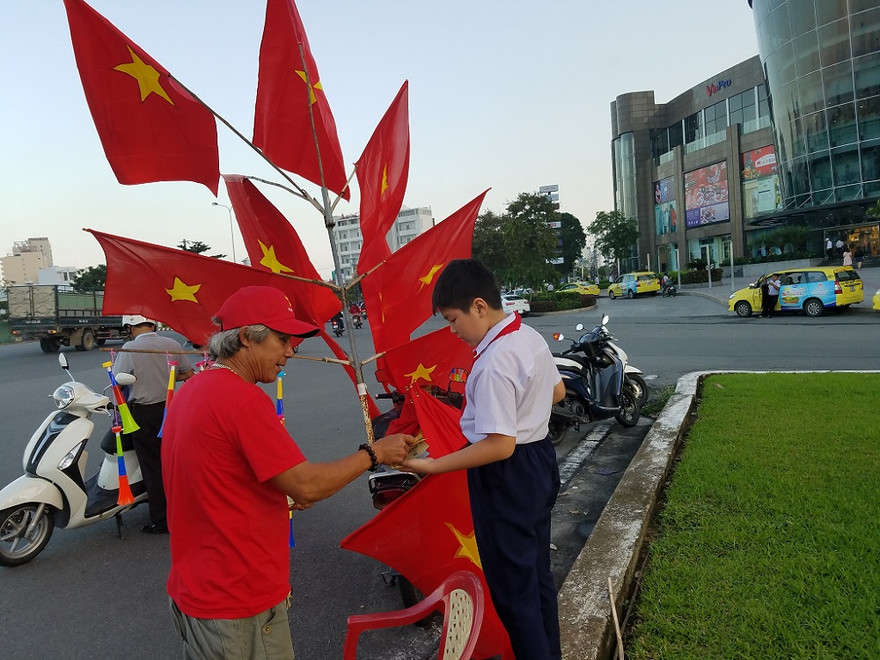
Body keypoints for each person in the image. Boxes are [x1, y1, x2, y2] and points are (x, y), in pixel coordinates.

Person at [161, 285, 413, 660]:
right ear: (247, 337)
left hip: (197, 588)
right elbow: (307, 485)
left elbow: (216, 479)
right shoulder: (242, 399)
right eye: (282, 340)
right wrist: (373, 453)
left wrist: (278, 498)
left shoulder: (193, 389)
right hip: (236, 597)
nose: (291, 351)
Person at [403, 259, 566, 660]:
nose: (452, 330)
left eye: (453, 319)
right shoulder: (528, 337)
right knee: (537, 579)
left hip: (506, 474)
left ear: (479, 306)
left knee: (514, 594)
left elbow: (499, 445)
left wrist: (430, 465)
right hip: (540, 462)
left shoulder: (493, 362)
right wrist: (521, 411)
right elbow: (557, 392)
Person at [113, 315, 193, 534]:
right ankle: (186, 510)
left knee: (153, 467)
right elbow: (188, 372)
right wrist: (167, 375)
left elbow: (117, 383)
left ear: (129, 327)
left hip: (144, 414)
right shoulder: (171, 343)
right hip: (171, 410)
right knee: (172, 462)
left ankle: (162, 520)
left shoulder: (129, 349)